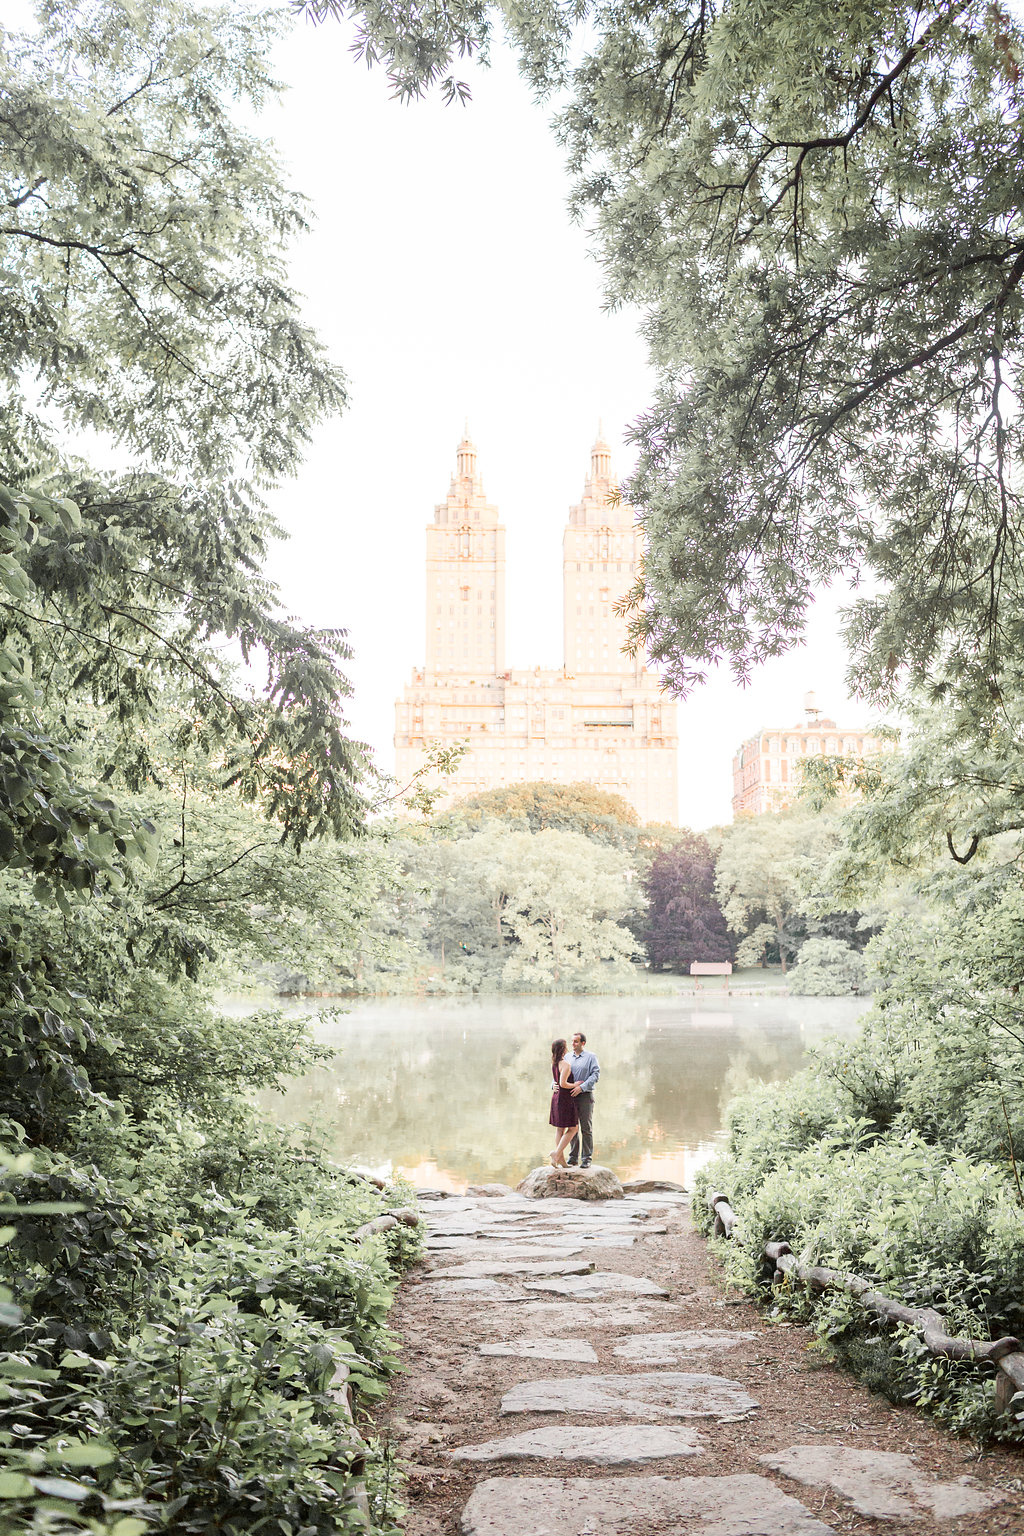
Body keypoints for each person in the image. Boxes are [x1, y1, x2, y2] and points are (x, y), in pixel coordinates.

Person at [566, 1030, 600, 1168]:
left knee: (586, 1128)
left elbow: (595, 1075)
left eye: (576, 1041)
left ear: (583, 1043)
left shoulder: (591, 1057)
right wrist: (554, 1085)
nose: (573, 1044)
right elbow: (560, 1073)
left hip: (585, 1096)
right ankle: (573, 1157)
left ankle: (586, 1159)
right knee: (572, 1127)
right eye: (572, 1041)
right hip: (570, 1097)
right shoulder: (567, 1057)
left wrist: (582, 1087)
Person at [548, 1037, 579, 1167]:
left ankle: (561, 1160)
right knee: (573, 1128)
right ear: (563, 1049)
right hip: (565, 1099)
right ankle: (557, 1154)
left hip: (556, 1098)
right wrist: (575, 1084)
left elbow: (556, 1083)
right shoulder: (565, 1064)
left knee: (560, 1129)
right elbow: (563, 1084)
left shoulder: (554, 1064)